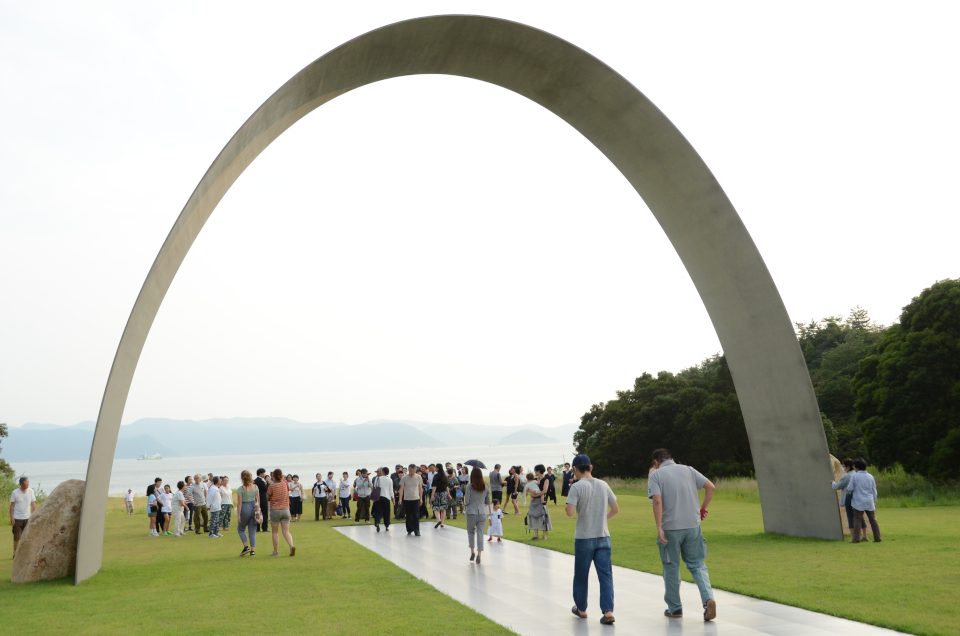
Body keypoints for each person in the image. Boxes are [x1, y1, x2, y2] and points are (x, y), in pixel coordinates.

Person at [648, 448, 716, 622]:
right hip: (693, 526)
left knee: (671, 567)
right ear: (672, 458)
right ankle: (708, 599)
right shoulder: (689, 469)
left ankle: (675, 608)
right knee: (698, 565)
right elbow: (710, 487)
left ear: (656, 463)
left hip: (670, 528)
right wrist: (702, 509)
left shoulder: (655, 475)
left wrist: (659, 527)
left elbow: (657, 501)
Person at [566, 454, 618, 625]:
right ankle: (608, 611)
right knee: (606, 576)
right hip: (604, 536)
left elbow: (570, 512)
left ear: (575, 469)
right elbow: (615, 509)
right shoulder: (604, 484)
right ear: (591, 467)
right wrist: (602, 519)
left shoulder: (577, 487)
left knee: (581, 575)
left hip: (584, 538)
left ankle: (581, 609)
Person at [847, 459, 882, 543]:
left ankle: (856, 538)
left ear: (856, 467)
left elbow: (850, 488)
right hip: (869, 500)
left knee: (857, 519)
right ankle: (877, 537)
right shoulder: (870, 476)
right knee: (873, 519)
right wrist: (874, 500)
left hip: (858, 501)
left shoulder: (854, 476)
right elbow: (874, 490)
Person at [832, 458, 867, 538]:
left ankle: (854, 536)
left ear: (848, 467)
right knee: (860, 517)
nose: (842, 468)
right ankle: (865, 535)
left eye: (843, 466)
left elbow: (837, 486)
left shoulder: (847, 477)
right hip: (858, 498)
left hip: (849, 498)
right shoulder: (856, 474)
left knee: (850, 517)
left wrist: (833, 483)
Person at [463, 467, 491, 564]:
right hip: (482, 512)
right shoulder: (486, 487)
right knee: (480, 533)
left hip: (471, 511)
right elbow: (488, 501)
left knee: (471, 532)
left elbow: (466, 501)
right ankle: (479, 554)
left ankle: (472, 551)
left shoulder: (469, 487)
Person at [267, 468, 295, 556]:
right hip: (286, 510)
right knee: (286, 531)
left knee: (275, 532)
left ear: (273, 476)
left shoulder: (272, 486)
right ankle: (291, 545)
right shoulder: (285, 484)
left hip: (275, 510)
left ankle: (275, 551)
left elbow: (268, 496)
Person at [10, 476, 38, 557]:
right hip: (17, 518)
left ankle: (27, 552)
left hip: (28, 517)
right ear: (21, 484)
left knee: (28, 536)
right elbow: (12, 506)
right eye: (26, 482)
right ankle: (15, 552)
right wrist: (12, 517)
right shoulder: (15, 492)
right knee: (17, 537)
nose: (27, 484)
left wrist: (34, 514)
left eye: (28, 482)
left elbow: (33, 503)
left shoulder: (30, 491)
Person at [237, 469, 260, 556]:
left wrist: (239, 515)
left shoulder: (241, 489)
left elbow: (239, 503)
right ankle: (253, 550)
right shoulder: (255, 487)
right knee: (252, 531)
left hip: (245, 508)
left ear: (242, 478)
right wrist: (258, 510)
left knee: (241, 529)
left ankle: (246, 546)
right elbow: (258, 500)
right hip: (254, 507)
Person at [526, 468, 552, 540]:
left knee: (543, 517)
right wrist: (532, 493)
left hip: (541, 500)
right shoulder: (534, 480)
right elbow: (528, 489)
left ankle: (544, 535)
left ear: (539, 471)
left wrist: (535, 495)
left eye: (536, 471)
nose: (535, 472)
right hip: (534, 501)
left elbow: (544, 491)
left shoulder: (546, 480)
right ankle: (536, 535)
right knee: (533, 516)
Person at [399, 463, 423, 536]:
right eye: (410, 471)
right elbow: (401, 489)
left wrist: (421, 498)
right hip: (407, 499)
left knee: (416, 515)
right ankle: (409, 529)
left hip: (416, 498)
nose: (412, 473)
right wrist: (400, 499)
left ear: (416, 470)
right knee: (408, 515)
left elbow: (420, 488)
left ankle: (417, 531)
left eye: (413, 471)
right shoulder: (404, 478)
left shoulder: (418, 477)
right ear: (408, 470)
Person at [372, 468, 392, 532]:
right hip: (386, 497)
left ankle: (377, 522)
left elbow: (374, 487)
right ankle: (387, 525)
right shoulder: (389, 480)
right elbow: (391, 490)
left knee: (378, 511)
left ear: (382, 471)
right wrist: (393, 498)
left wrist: (373, 498)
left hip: (378, 497)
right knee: (386, 512)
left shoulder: (377, 478)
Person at [431, 463, 449, 529]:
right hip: (444, 493)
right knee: (443, 508)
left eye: (435, 467)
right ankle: (442, 523)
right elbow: (447, 486)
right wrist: (449, 494)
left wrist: (432, 495)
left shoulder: (436, 476)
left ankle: (439, 520)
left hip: (437, 493)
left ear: (437, 468)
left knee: (436, 508)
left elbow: (434, 486)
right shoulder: (445, 476)